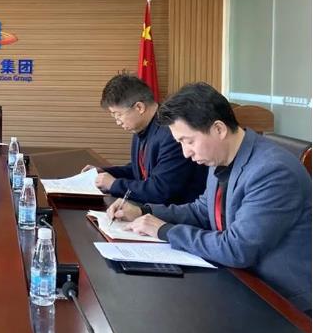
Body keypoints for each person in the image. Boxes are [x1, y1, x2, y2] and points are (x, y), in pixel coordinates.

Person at [108, 82, 311, 312]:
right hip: (238, 282)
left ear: (219, 129)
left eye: (189, 141)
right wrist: (144, 211)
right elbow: (202, 210)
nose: (186, 153)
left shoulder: (272, 171)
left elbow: (237, 249)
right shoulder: (221, 156)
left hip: (282, 301)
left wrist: (164, 230)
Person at [82, 73, 207, 204]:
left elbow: (160, 190)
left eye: (118, 115)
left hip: (176, 210)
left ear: (139, 107)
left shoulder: (171, 132)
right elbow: (140, 171)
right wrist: (104, 172)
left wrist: (114, 184)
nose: (118, 122)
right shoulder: (143, 127)